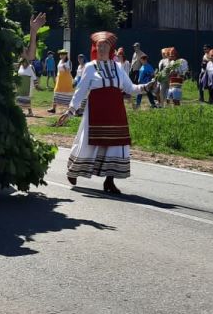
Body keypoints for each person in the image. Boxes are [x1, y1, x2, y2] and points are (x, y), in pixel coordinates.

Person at [56, 31, 156, 194]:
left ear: (111, 49)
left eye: (105, 46)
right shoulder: (90, 67)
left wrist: (146, 87)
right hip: (96, 112)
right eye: (99, 46)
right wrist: (70, 111)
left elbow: (129, 88)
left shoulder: (117, 67)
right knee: (87, 143)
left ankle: (109, 180)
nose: (101, 48)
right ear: (95, 48)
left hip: (116, 113)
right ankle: (74, 170)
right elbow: (80, 91)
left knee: (115, 145)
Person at [48, 50, 74, 115]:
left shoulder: (69, 61)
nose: (62, 56)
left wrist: (65, 68)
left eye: (63, 54)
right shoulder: (60, 61)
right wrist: (57, 76)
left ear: (66, 55)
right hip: (60, 79)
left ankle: (69, 109)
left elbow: (69, 70)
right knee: (56, 92)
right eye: (61, 54)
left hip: (66, 79)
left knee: (67, 93)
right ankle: (53, 109)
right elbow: (58, 70)